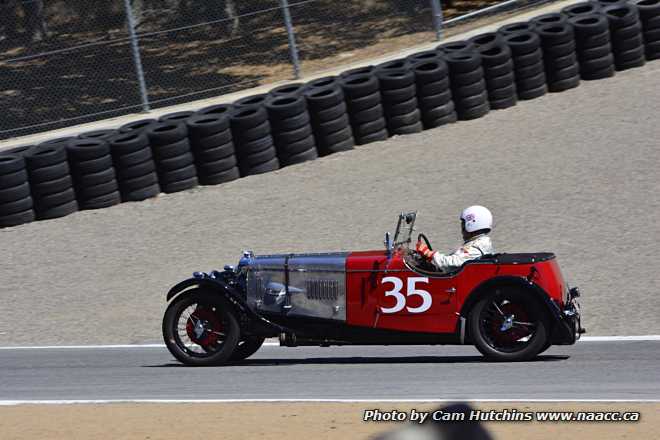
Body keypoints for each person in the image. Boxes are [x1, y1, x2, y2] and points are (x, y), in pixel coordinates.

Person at [415, 205, 495, 273]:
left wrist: (430, 254)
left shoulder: (476, 248)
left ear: (472, 225)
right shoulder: (479, 243)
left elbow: (452, 263)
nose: (462, 228)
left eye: (463, 224)